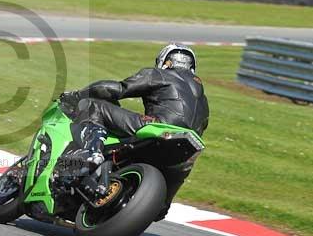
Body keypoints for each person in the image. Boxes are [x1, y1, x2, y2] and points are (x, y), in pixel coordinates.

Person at [59, 43, 209, 219]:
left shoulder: (160, 74)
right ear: (192, 66)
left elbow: (118, 89)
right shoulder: (203, 100)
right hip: (188, 145)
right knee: (163, 204)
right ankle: (163, 202)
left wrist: (77, 95)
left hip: (157, 126)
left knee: (93, 106)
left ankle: (92, 153)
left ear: (165, 62)